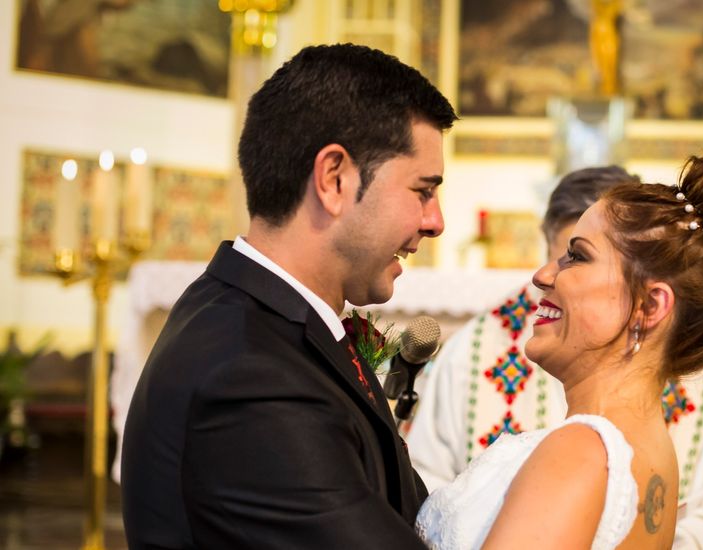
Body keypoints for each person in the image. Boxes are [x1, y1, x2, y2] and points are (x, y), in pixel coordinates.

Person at [121, 43, 457, 549]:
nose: (435, 222)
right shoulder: (251, 377)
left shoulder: (259, 320)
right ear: (334, 179)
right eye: (422, 190)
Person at [414, 157, 703, 549]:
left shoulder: (581, 453)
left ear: (650, 306)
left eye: (578, 255)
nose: (542, 275)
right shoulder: (651, 449)